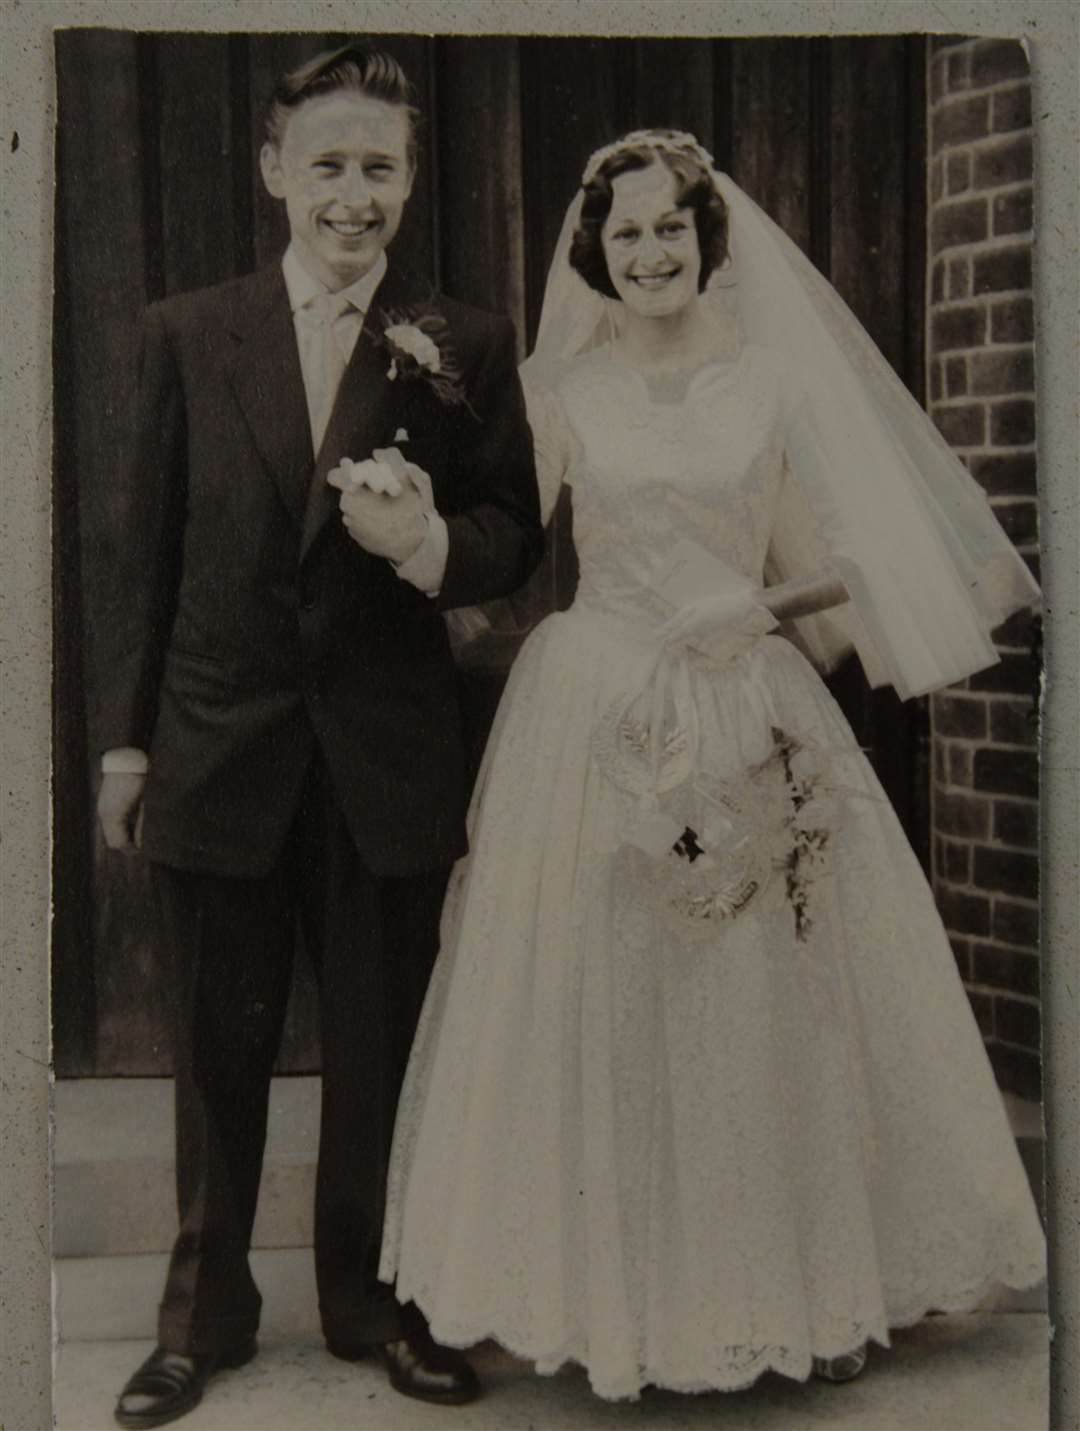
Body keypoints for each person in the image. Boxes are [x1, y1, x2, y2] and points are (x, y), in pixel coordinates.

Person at [379, 130, 1046, 1401]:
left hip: (747, 693)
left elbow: (865, 552)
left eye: (669, 229)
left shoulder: (771, 385)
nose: (648, 252)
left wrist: (758, 606)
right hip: (600, 706)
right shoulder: (561, 392)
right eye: (624, 235)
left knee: (760, 993)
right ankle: (614, 1301)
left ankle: (791, 1293)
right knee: (605, 985)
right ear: (596, 255)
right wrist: (415, 522)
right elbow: (509, 534)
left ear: (706, 240)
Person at [94, 44, 542, 1427]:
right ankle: (200, 1317)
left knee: (379, 1047)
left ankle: (371, 1301)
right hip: (221, 743)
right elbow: (141, 557)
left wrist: (424, 546)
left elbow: (515, 532)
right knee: (216, 1050)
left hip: (382, 753)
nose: (355, 195)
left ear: (410, 181)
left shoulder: (460, 342)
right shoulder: (189, 330)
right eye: (331, 164)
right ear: (278, 170)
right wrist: (122, 747)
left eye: (382, 168)